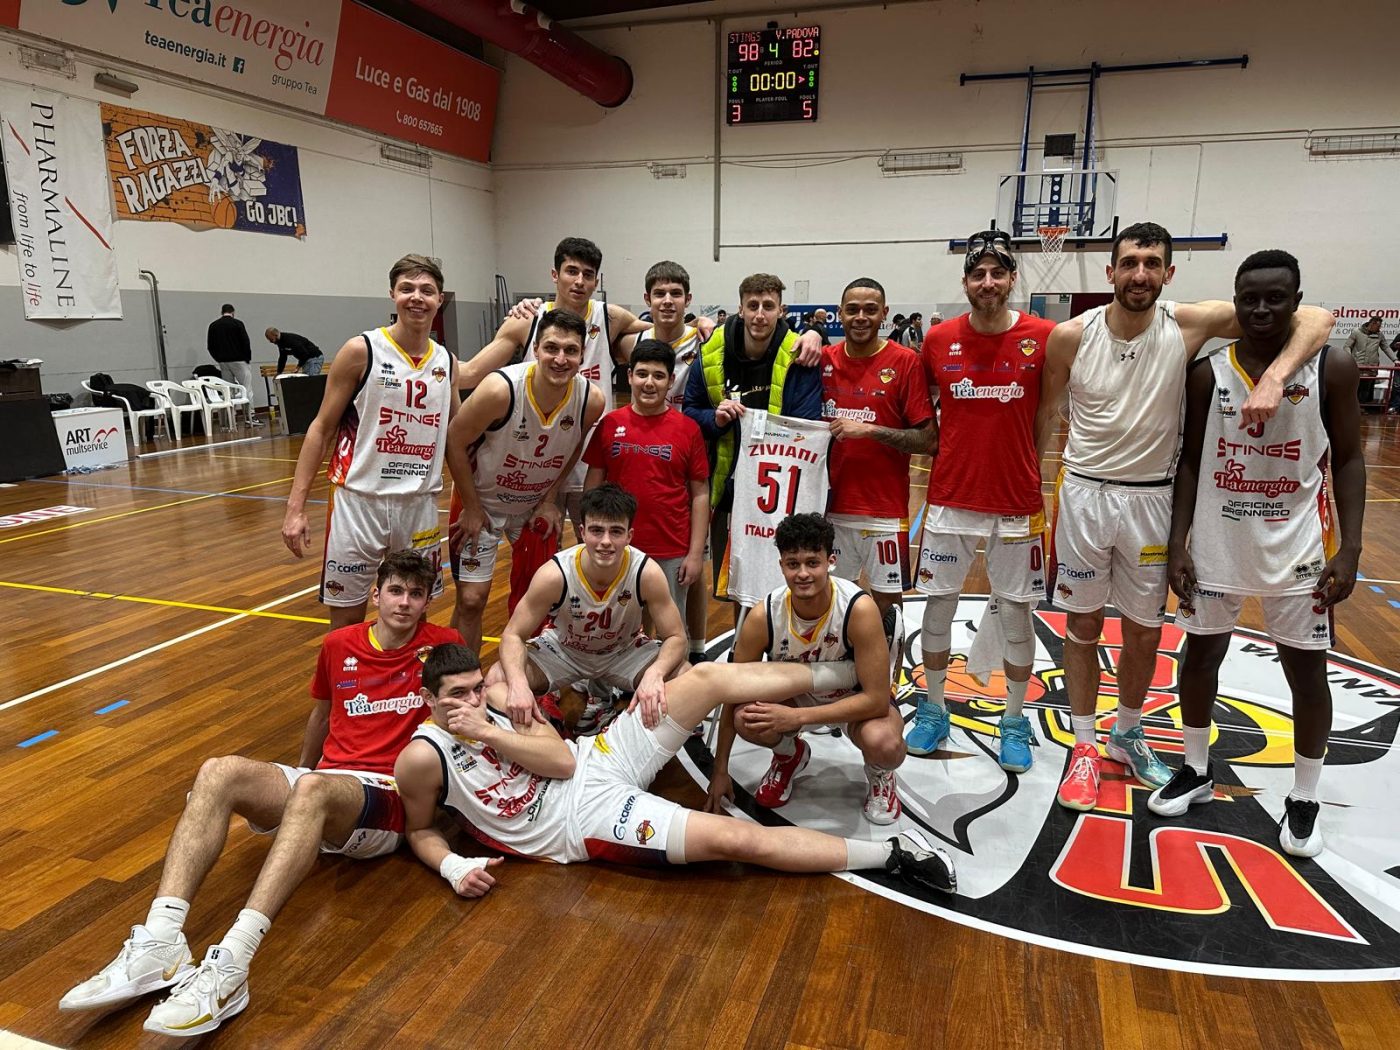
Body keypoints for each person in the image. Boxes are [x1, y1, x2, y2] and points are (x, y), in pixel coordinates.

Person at [58, 553, 461, 1036]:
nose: (405, 602)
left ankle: (232, 966)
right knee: (219, 771)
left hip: (388, 798)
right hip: (323, 782)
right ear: (375, 595)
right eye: (395, 590)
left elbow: (470, 712)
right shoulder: (338, 644)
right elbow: (321, 714)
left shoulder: (444, 645)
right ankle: (161, 941)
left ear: (427, 602)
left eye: (416, 594)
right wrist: (299, 771)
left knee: (312, 789)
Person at [1034, 222, 1336, 811]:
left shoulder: (1189, 323)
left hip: (1154, 498)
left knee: (1144, 630)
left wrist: (1275, 377)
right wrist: (1031, 491)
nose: (1139, 274)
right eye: (1129, 262)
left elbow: (1317, 318)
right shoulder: (1070, 336)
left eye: (1152, 263)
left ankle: (1126, 733)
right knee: (1081, 625)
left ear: (1168, 273)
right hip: (1084, 495)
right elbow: (1046, 414)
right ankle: (1085, 745)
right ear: (1110, 271)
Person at [395, 643, 956, 895]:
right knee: (738, 840)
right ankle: (894, 854)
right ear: (429, 701)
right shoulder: (423, 757)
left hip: (598, 756)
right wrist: (451, 867)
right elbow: (419, 829)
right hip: (580, 820)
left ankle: (854, 672)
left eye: (475, 688)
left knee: (706, 679)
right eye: (456, 696)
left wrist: (489, 725)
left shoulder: (497, 703)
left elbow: (562, 758)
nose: (471, 701)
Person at [1149, 249, 1364, 858]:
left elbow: (1349, 459)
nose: (1262, 309)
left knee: (1306, 672)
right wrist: (1178, 543)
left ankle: (1305, 794)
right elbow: (1190, 462)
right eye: (1250, 298)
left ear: (1298, 302)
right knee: (1199, 657)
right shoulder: (1206, 373)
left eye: (1275, 298)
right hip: (1217, 542)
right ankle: (1196, 769)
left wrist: (1349, 549)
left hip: (1298, 546)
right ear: (1236, 301)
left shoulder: (1331, 366)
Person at [907, 232, 1055, 774]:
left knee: (1017, 614)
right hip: (951, 496)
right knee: (937, 608)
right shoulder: (938, 339)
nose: (987, 283)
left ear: (1013, 278)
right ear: (965, 281)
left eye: (997, 273)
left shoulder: (1045, 336)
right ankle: (935, 708)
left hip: (1015, 498)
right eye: (978, 274)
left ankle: (1014, 720)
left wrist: (1027, 467)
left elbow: (1048, 414)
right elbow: (917, 406)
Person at [280, 255, 458, 631]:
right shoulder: (361, 350)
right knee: (347, 618)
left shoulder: (446, 361)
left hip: (419, 504)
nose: (417, 297)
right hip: (358, 502)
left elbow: (458, 437)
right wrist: (295, 509)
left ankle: (406, 674)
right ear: (392, 294)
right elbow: (321, 428)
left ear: (440, 299)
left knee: (414, 615)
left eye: (427, 290)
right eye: (407, 288)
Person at [705, 514, 908, 824]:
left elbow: (877, 700)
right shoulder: (763, 616)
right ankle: (789, 755)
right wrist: (720, 770)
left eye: (812, 563)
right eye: (793, 564)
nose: (802, 573)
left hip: (853, 699)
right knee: (747, 718)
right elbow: (732, 692)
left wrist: (797, 718)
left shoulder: (858, 609)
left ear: (831, 561)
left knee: (886, 745)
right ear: (781, 565)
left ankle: (880, 773)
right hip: (799, 697)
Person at [445, 308, 605, 652]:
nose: (560, 359)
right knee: (471, 600)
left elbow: (574, 446)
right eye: (551, 348)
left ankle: (528, 673)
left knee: (539, 598)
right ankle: (462, 677)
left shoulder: (591, 400)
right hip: (482, 502)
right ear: (535, 349)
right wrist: (471, 506)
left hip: (530, 506)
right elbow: (454, 440)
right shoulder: (499, 390)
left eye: (571, 350)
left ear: (582, 354)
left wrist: (548, 501)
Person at [487, 483, 689, 733]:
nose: (606, 541)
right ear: (582, 532)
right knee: (498, 678)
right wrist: (518, 684)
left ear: (629, 536)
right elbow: (513, 634)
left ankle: (636, 740)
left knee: (685, 676)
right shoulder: (555, 574)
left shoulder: (646, 573)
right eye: (597, 530)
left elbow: (676, 636)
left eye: (616, 532)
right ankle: (541, 739)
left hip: (622, 652)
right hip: (564, 651)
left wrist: (655, 673)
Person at [683, 273, 824, 615]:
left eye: (768, 306)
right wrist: (715, 419)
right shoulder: (712, 351)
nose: (760, 314)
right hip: (728, 489)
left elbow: (805, 424)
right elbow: (691, 410)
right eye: (753, 306)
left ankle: (783, 643)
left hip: (782, 489)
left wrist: (815, 332)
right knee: (737, 583)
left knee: (788, 581)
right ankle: (743, 643)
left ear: (781, 310)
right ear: (741, 309)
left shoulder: (799, 354)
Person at [614, 261, 711, 661]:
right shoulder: (631, 342)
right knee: (635, 586)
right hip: (640, 446)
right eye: (659, 294)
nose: (667, 301)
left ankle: (694, 648)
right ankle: (634, 656)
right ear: (647, 299)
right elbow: (596, 321)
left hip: (689, 447)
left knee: (690, 571)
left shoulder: (707, 339)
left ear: (688, 299)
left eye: (675, 294)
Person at [822, 277, 934, 617]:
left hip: (884, 511)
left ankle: (886, 657)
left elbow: (928, 440)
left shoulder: (905, 362)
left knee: (887, 609)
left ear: (884, 313)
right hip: (830, 509)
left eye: (870, 310)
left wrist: (869, 430)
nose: (861, 317)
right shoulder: (822, 361)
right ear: (839, 313)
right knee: (835, 607)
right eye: (852, 309)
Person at [583, 341, 709, 631]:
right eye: (642, 374)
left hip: (671, 548)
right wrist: (589, 538)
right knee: (620, 631)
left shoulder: (688, 429)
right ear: (629, 376)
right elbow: (592, 488)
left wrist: (694, 554)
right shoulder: (610, 424)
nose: (649, 383)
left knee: (670, 633)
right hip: (617, 547)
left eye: (658, 376)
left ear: (671, 381)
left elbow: (700, 494)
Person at [207, 303, 259, 423]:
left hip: (223, 362)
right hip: (239, 361)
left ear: (222, 312)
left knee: (229, 391)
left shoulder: (213, 325)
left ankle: (231, 419)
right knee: (246, 389)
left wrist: (218, 358)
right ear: (233, 312)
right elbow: (245, 342)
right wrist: (247, 359)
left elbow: (210, 346)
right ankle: (250, 417)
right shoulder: (238, 324)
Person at [1344, 315, 1389, 408]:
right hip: (1357, 365)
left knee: (1366, 388)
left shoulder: (1380, 335)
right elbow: (1347, 346)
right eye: (1378, 326)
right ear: (1372, 324)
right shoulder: (1357, 332)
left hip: (1371, 366)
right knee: (1355, 387)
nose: (1379, 328)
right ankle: (1352, 407)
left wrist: (1395, 360)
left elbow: (1386, 347)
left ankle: (1362, 407)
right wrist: (1349, 358)